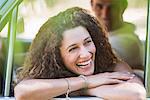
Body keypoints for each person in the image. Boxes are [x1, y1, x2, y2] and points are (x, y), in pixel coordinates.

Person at [14, 7, 146, 100]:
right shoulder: (48, 75)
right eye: (73, 48)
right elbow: (22, 91)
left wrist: (81, 90)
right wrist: (87, 81)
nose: (86, 54)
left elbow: (136, 94)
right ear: (57, 56)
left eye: (87, 42)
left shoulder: (112, 67)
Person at [90, 0, 144, 71]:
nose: (105, 14)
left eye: (112, 7)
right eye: (99, 6)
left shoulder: (128, 42)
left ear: (124, 6)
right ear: (92, 5)